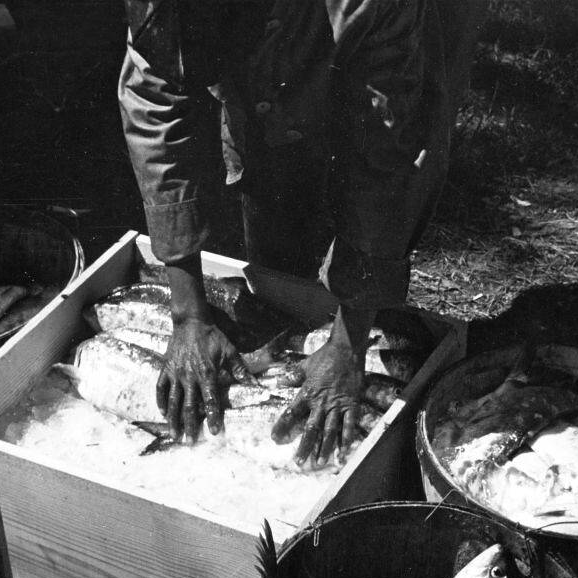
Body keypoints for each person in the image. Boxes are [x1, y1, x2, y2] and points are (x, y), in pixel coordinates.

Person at [118, 0, 487, 468]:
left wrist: (350, 343)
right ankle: (298, 309)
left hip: (409, 23)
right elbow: (155, 108)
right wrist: (188, 315)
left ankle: (351, 323)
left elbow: (389, 154)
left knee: (395, 128)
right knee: (271, 155)